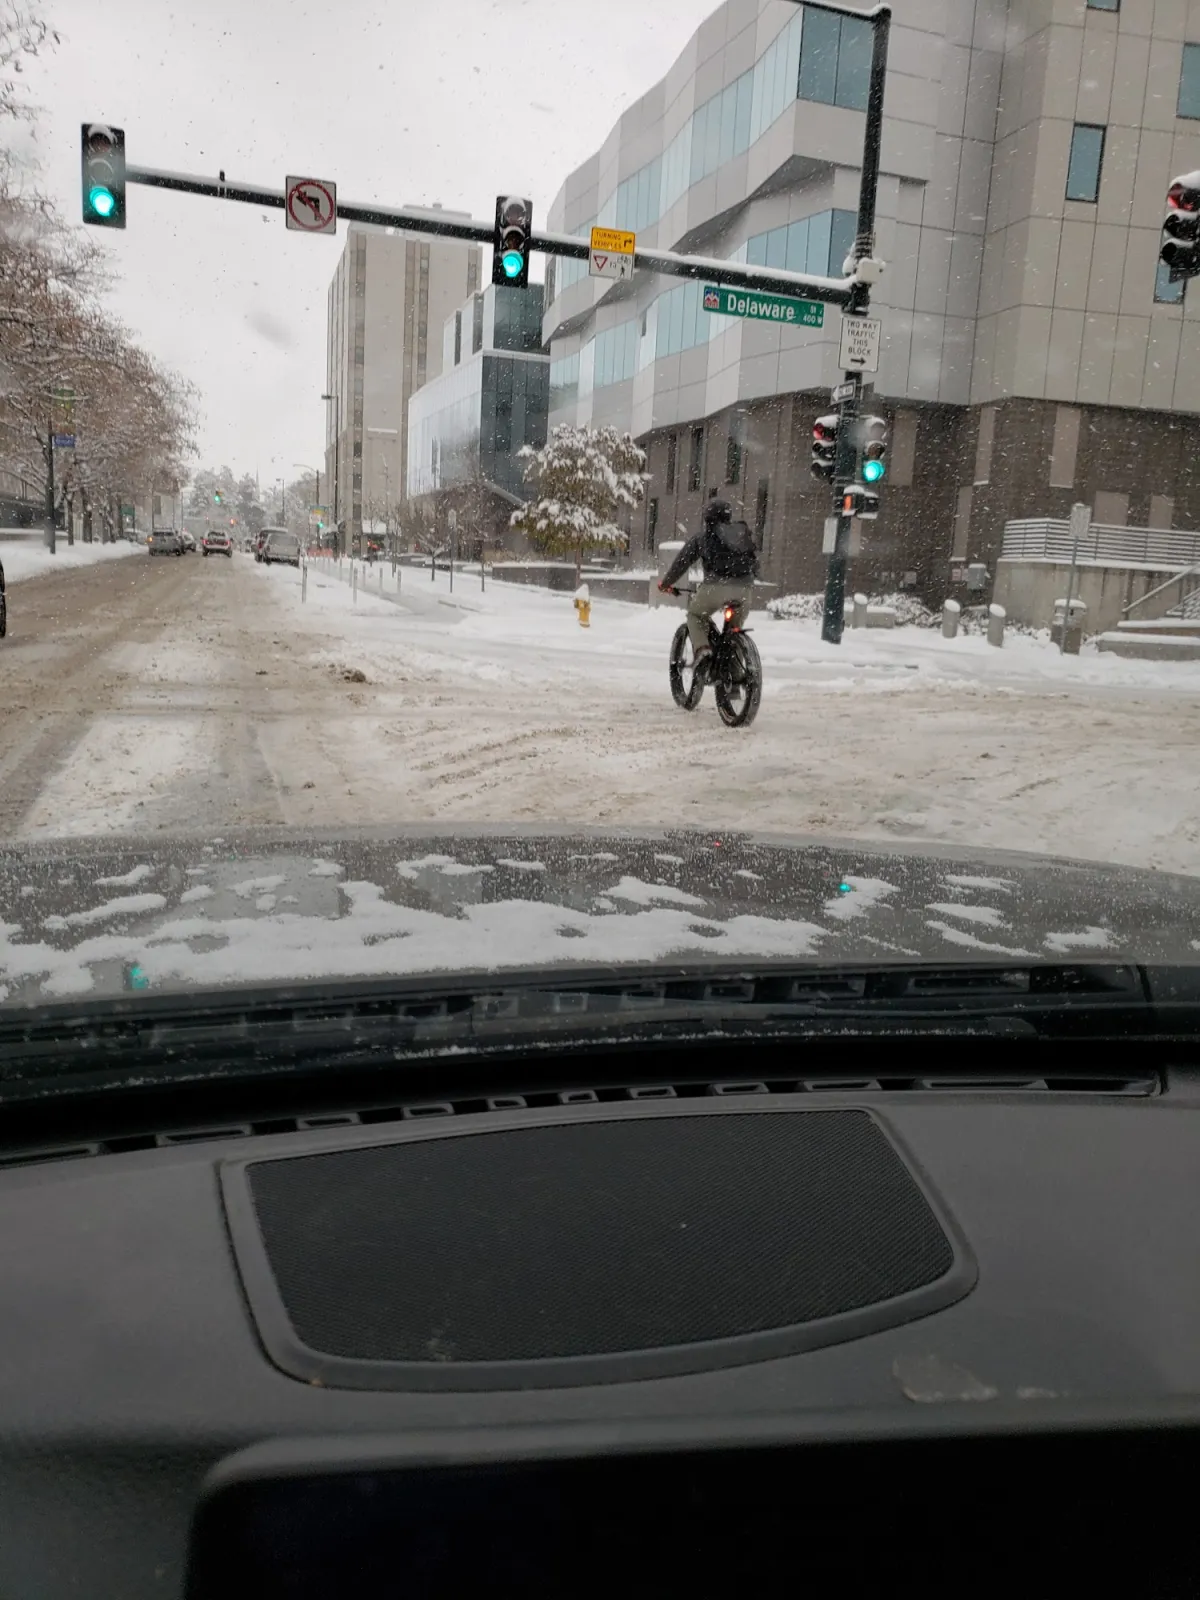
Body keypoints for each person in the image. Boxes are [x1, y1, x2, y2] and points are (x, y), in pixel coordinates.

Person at [658, 499, 759, 670]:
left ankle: (703, 649)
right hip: (744, 590)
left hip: (715, 587)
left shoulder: (702, 538)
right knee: (733, 632)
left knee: (695, 616)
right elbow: (754, 563)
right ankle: (735, 673)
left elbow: (682, 562)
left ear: (707, 518)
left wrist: (666, 583)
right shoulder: (741, 535)